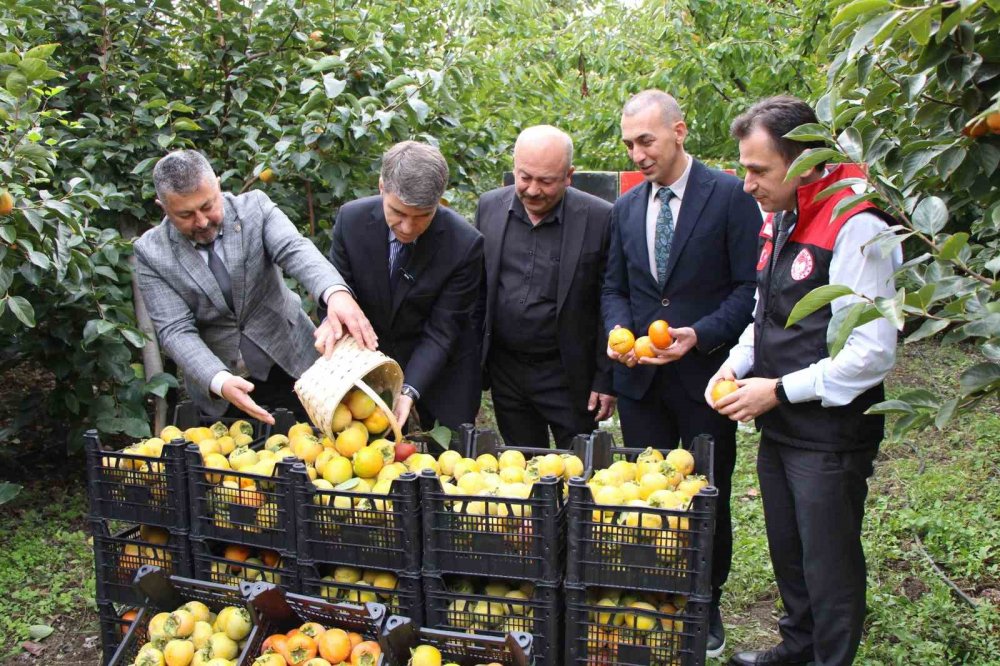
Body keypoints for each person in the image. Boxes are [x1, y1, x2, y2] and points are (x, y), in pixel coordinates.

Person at [709, 96, 900, 666]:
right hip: (783, 422)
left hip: (829, 432)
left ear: (807, 164)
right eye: (744, 168)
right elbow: (765, 313)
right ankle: (798, 648)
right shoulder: (784, 215)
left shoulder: (856, 227)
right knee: (790, 552)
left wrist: (779, 389)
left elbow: (870, 353)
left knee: (829, 563)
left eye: (758, 170)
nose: (747, 184)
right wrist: (737, 365)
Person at [602, 90, 761, 658]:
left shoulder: (728, 196)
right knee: (646, 496)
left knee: (704, 496)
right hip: (642, 383)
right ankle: (657, 591)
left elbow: (749, 288)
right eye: (628, 144)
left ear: (679, 131)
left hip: (705, 381)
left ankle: (705, 598)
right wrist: (619, 334)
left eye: (646, 140)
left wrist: (702, 334)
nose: (637, 154)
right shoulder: (624, 208)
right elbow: (615, 288)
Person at [135, 149, 375, 424]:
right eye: (186, 215)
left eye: (207, 206)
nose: (201, 221)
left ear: (217, 183)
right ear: (162, 207)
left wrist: (335, 293)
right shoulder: (151, 253)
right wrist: (219, 380)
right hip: (223, 386)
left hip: (294, 364)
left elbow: (294, 250)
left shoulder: (254, 209)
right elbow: (175, 330)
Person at [329, 141, 484, 433]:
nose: (408, 227)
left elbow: (443, 328)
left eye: (423, 216)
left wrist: (409, 390)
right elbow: (338, 293)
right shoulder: (351, 221)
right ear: (381, 188)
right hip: (370, 360)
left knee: (452, 456)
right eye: (398, 213)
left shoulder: (464, 244)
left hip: (443, 367)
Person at [475, 125, 615, 448]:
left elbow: (609, 299)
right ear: (514, 168)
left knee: (580, 469)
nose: (533, 190)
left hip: (568, 373)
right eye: (525, 178)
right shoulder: (489, 208)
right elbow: (478, 290)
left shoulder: (600, 217)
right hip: (506, 372)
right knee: (521, 468)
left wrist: (606, 378)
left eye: (546, 181)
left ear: (569, 176)